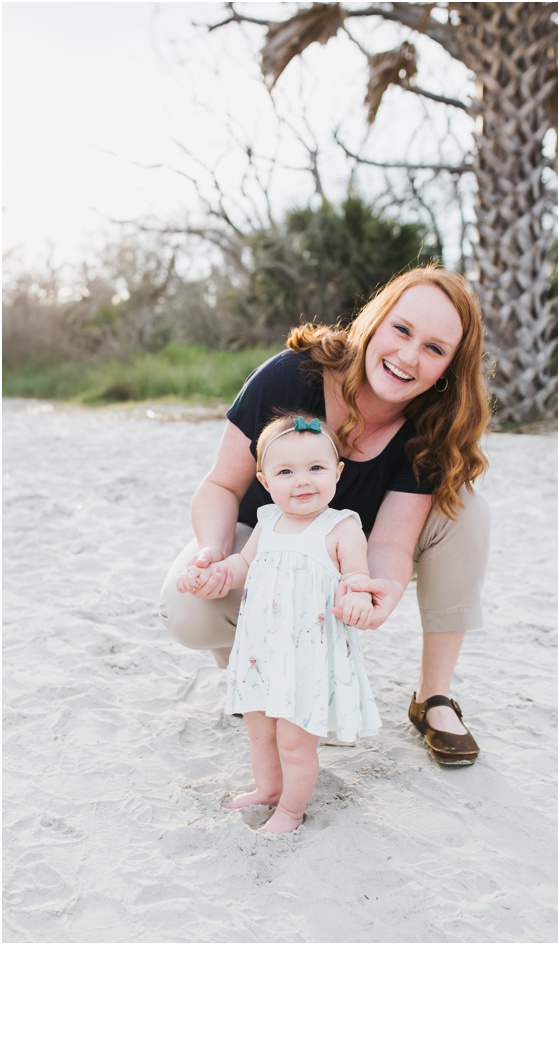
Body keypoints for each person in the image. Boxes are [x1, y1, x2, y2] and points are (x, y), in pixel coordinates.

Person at [158, 266, 493, 767]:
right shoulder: (292, 375)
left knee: (466, 509)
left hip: (347, 555)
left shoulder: (434, 426)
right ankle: (254, 668)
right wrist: (213, 548)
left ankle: (433, 697)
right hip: (264, 546)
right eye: (401, 330)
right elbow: (221, 484)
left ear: (448, 368)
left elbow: (392, 545)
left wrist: (375, 592)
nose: (407, 357)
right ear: (375, 322)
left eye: (434, 349)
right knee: (185, 611)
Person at [178, 415, 381, 834]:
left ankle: (290, 810)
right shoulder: (267, 521)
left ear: (337, 472)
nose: (302, 481)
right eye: (286, 472)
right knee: (259, 732)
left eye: (316, 469)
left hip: (306, 657)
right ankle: (268, 790)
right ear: (265, 480)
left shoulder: (341, 527)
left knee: (293, 741)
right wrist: (212, 575)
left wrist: (358, 594)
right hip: (261, 652)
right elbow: (242, 565)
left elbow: (357, 575)